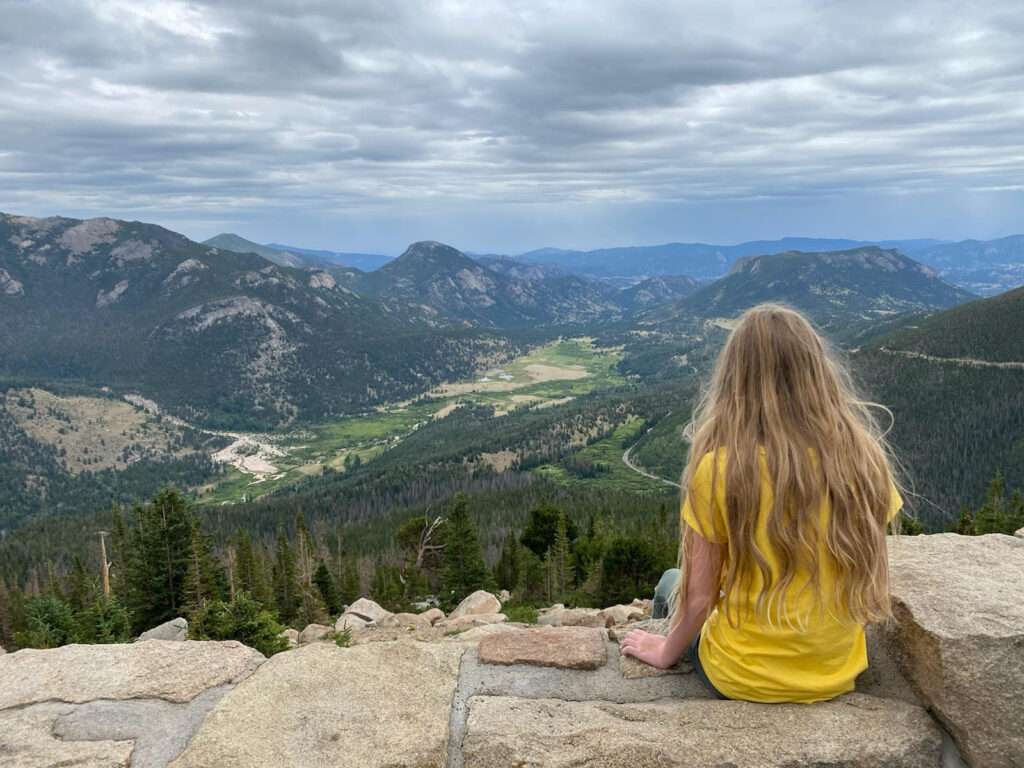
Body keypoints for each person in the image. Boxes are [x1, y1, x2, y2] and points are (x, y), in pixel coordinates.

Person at [620, 303, 904, 703]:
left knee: (670, 582)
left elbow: (700, 598)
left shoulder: (720, 469)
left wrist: (665, 651)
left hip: (742, 675)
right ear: (817, 373)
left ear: (736, 379)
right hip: (835, 671)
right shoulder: (862, 459)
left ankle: (667, 659)